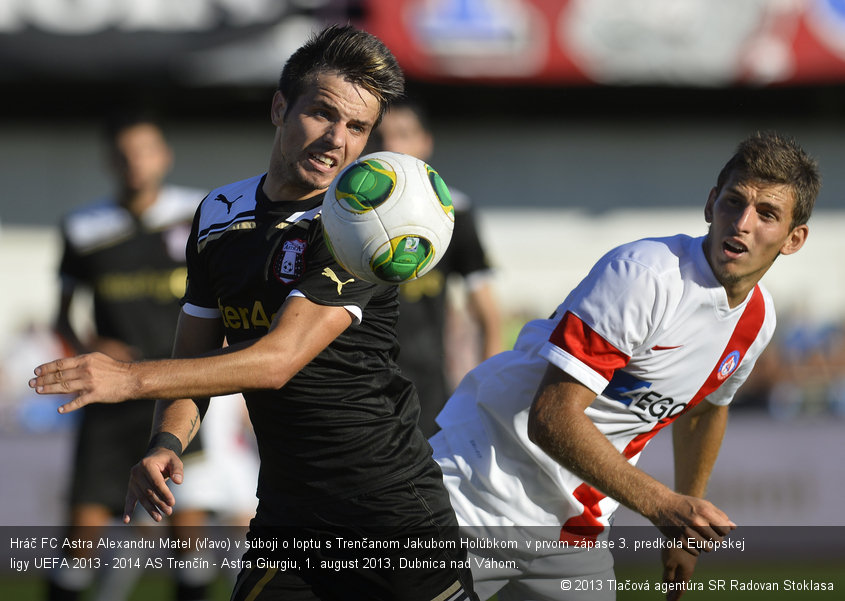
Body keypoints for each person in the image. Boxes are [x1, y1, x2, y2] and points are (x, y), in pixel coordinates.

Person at [31, 25, 477, 601]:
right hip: (289, 514)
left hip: (385, 508)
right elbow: (192, 358)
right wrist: (166, 440)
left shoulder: (364, 225)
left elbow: (275, 362)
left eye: (358, 127)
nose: (336, 141)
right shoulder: (218, 212)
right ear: (279, 107)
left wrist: (129, 380)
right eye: (322, 114)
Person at [427, 131, 820, 600]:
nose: (742, 223)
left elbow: (707, 409)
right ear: (711, 203)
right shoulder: (645, 275)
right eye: (734, 202)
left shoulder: (758, 320)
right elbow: (551, 417)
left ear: (794, 239)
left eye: (767, 214)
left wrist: (683, 529)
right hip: (476, 498)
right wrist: (662, 505)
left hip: (572, 532)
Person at [49, 112, 219, 601]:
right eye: (124, 154)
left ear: (163, 155)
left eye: (145, 151)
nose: (136, 163)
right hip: (109, 400)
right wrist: (88, 348)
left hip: (176, 393)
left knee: (188, 532)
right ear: (110, 161)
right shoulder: (84, 227)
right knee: (80, 535)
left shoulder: (199, 213)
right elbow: (61, 316)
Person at [374, 99, 503, 437]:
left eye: (402, 134)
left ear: (424, 143)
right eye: (379, 136)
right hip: (354, 385)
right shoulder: (342, 210)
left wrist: (486, 391)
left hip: (426, 389)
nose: (390, 146)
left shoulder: (453, 211)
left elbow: (487, 313)